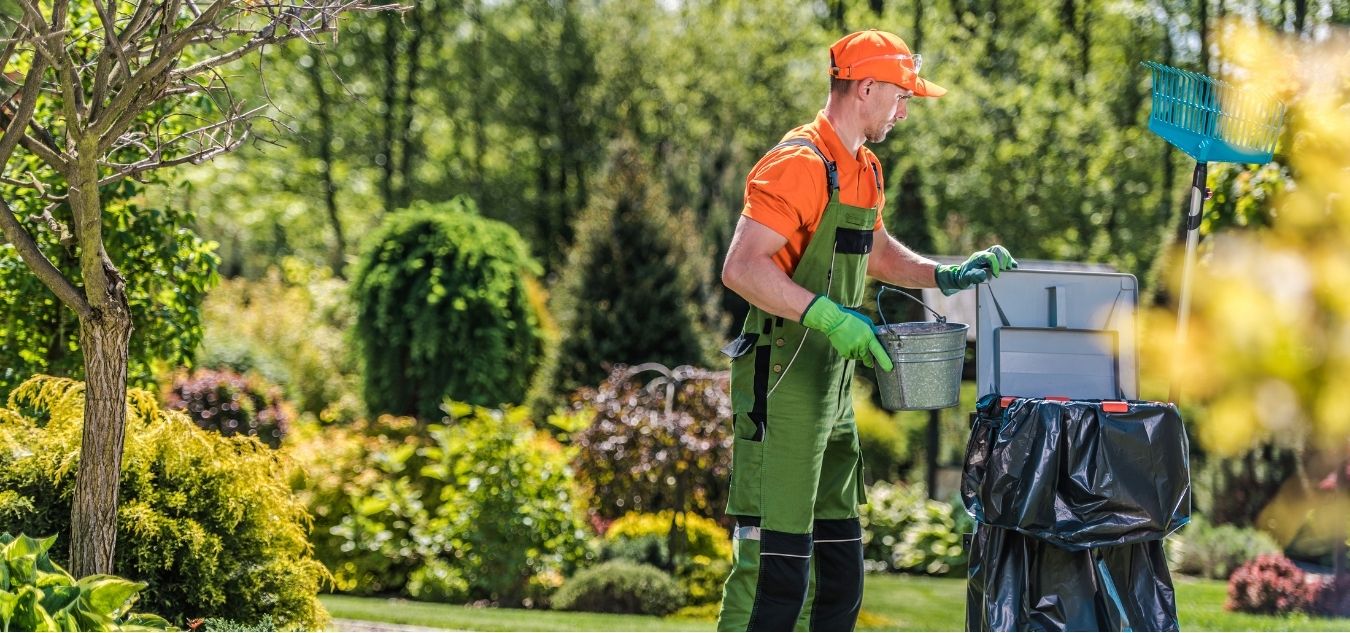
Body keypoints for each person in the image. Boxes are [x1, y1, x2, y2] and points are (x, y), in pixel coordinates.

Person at [715, 29, 1017, 632]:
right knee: (776, 577)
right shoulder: (798, 163)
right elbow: (741, 268)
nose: (905, 109)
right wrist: (827, 315)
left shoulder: (864, 167)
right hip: (782, 383)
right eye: (901, 95)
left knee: (841, 571)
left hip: (833, 387)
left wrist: (945, 275)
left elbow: (874, 252)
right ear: (867, 87)